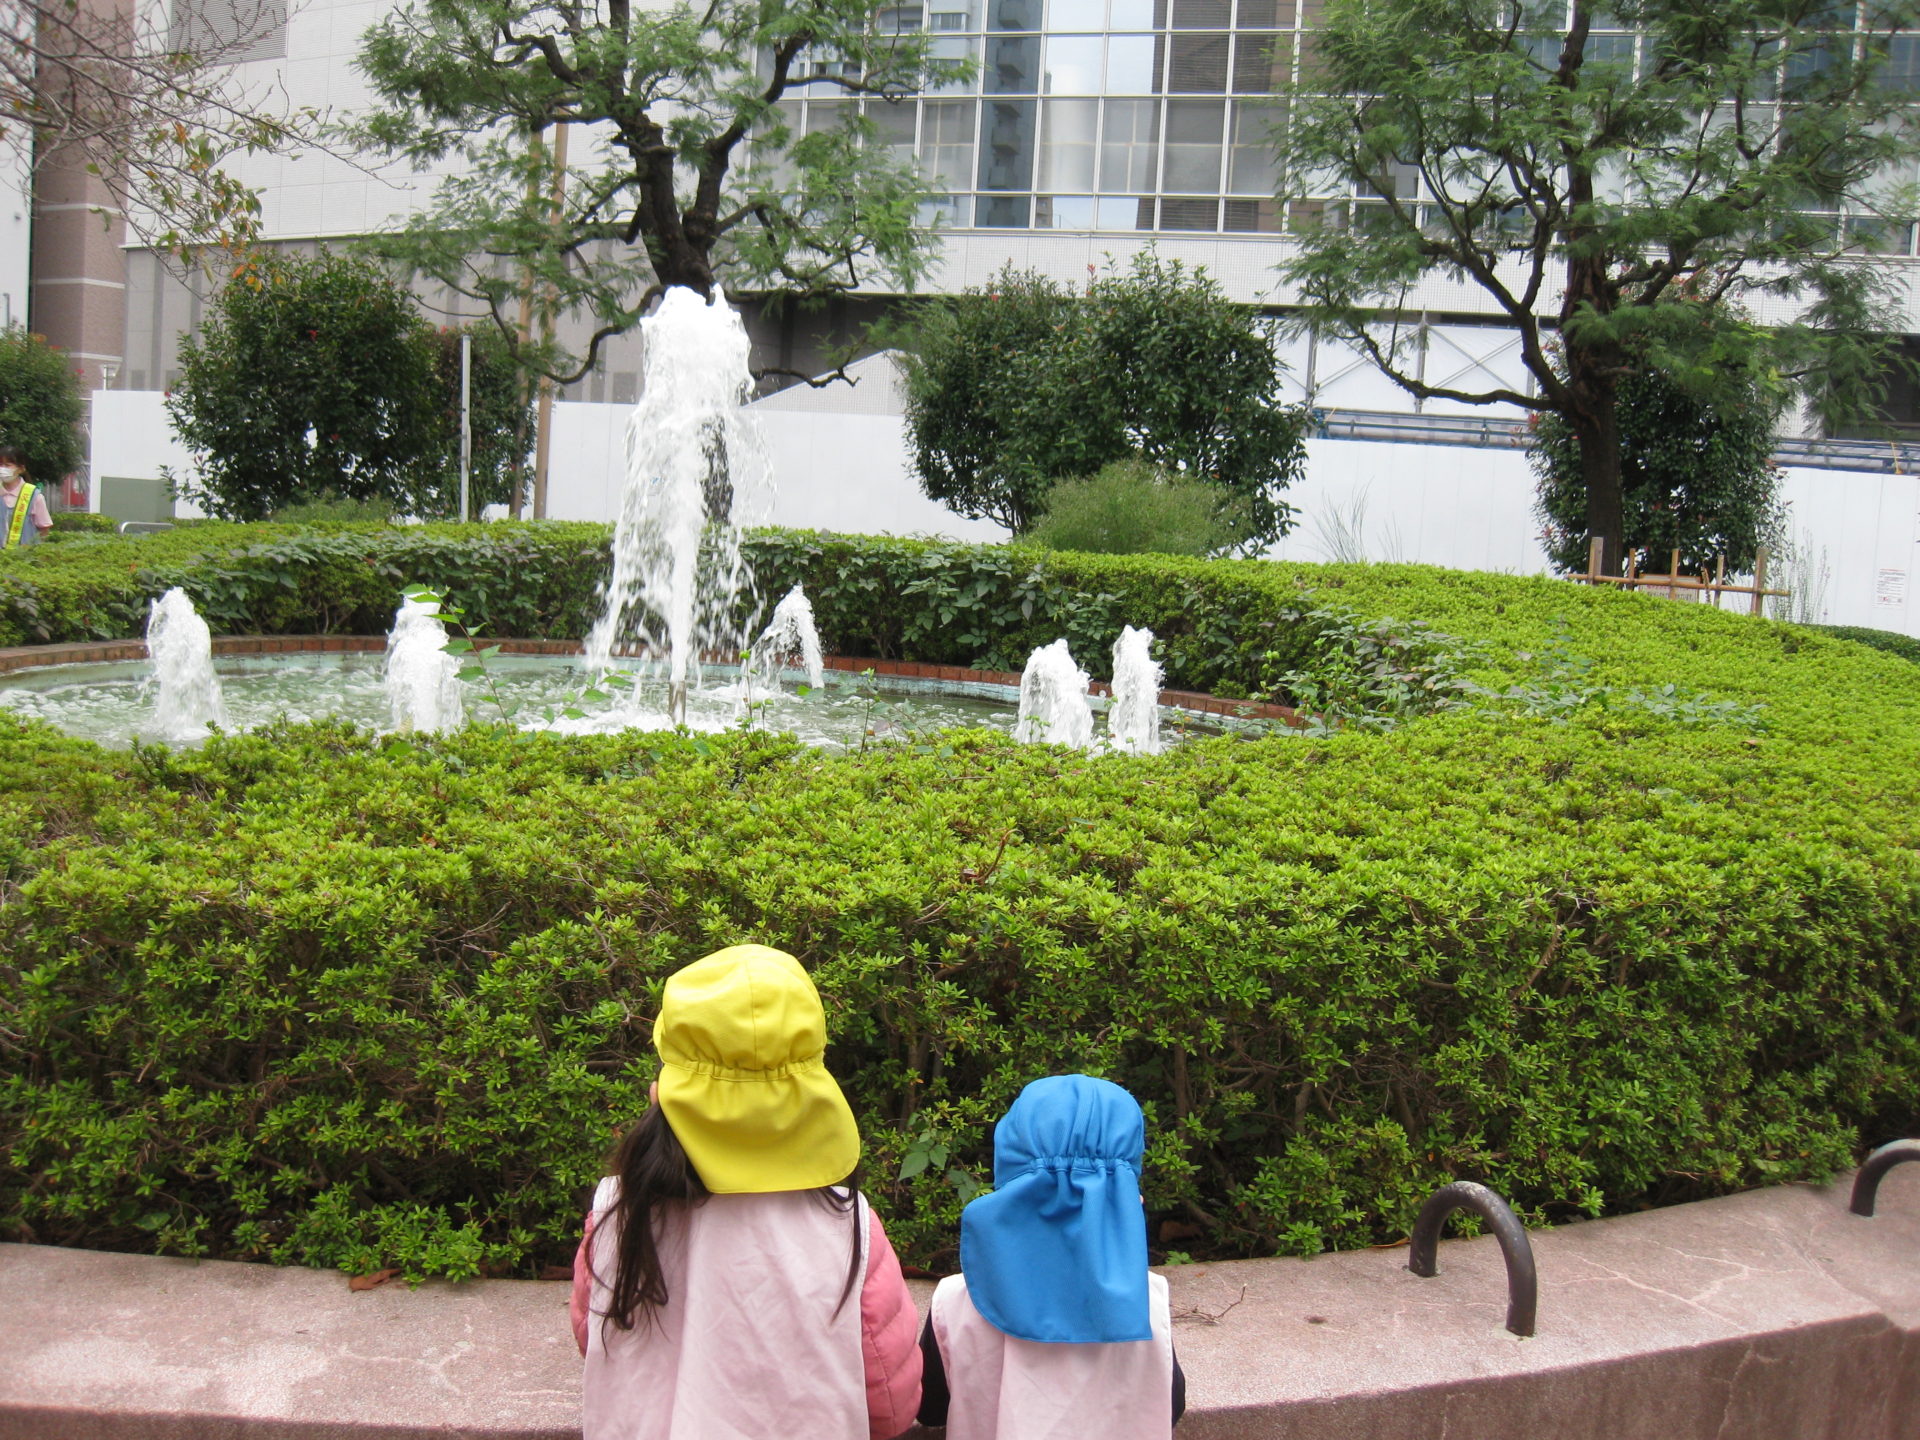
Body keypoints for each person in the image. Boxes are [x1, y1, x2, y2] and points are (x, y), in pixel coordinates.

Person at [569, 943, 922, 1440]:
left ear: (665, 1086)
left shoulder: (617, 1213)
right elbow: (889, 1401)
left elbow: (594, 1339)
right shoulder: (848, 1225)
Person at [917, 1074, 1186, 1440]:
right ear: (1126, 1187)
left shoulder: (956, 1301)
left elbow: (929, 1408)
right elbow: (1171, 1405)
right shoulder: (1146, 1300)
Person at [0, 447, 52, 549]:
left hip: (25, 556)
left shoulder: (34, 496)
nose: (2, 469)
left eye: (7, 465)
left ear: (21, 469)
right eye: (0, 464)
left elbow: (44, 530)